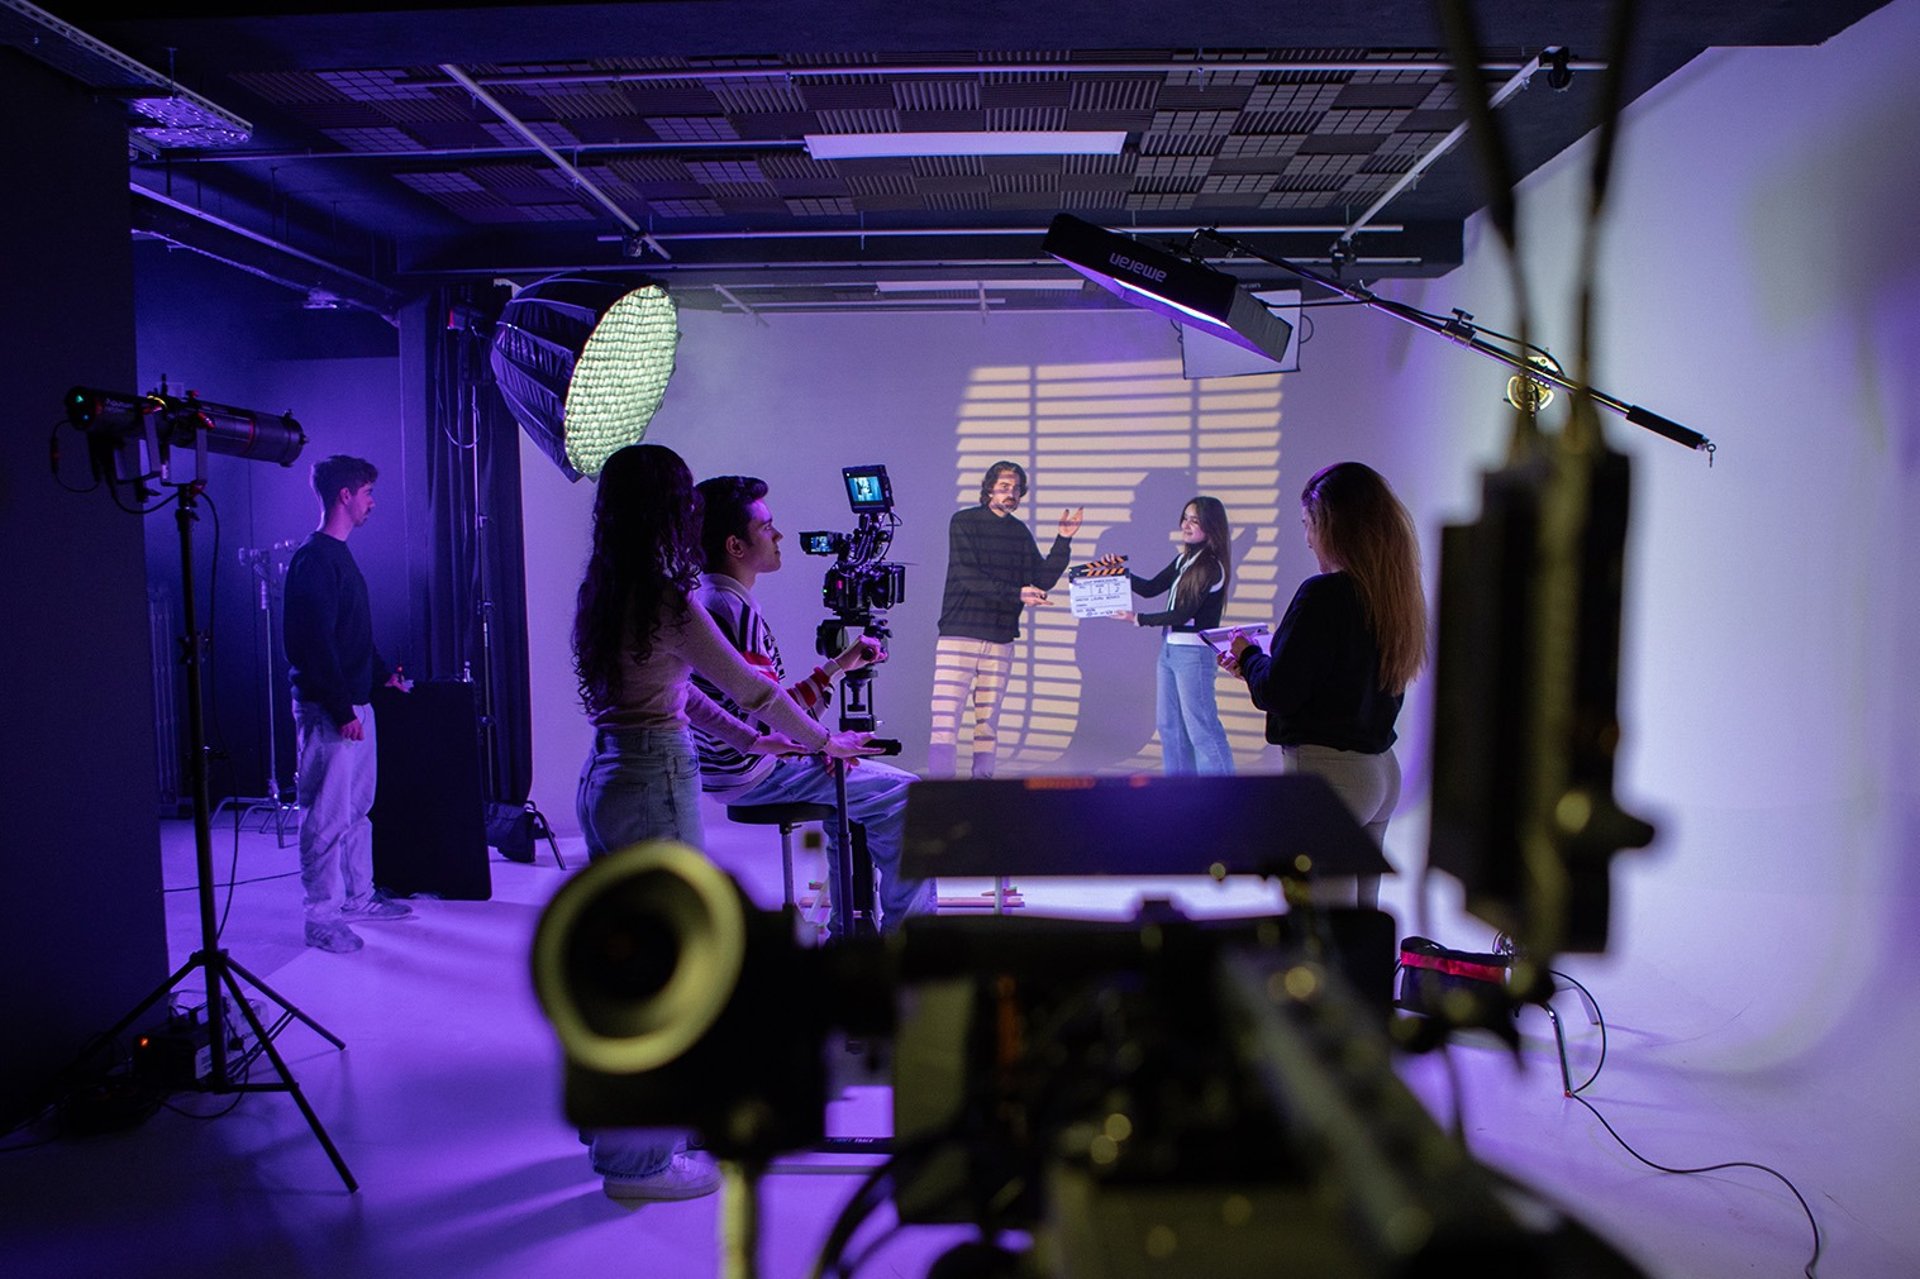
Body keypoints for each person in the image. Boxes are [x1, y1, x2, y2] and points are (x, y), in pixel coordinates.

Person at [570, 443, 877, 1203]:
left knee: (625, 962)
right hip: (653, 782)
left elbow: (680, 695)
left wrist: (753, 739)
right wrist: (822, 740)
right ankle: (638, 1165)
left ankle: (615, 1130)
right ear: (670, 513)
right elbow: (750, 688)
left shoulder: (608, 590)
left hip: (608, 773)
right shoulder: (672, 599)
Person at [690, 475, 934, 931]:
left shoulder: (722, 599)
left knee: (858, 796)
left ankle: (849, 929)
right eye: (766, 527)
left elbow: (773, 706)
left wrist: (839, 666)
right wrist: (822, 744)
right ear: (735, 545)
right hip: (754, 771)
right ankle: (914, 944)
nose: (779, 536)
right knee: (908, 797)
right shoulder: (729, 606)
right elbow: (765, 709)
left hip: (747, 761)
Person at [1222, 462, 1427, 909]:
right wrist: (1254, 666)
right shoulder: (1392, 595)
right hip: (1380, 772)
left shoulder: (1323, 595)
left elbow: (1280, 691)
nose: (1308, 537)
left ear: (1332, 525)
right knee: (1361, 927)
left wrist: (1248, 657)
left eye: (1309, 525)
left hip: (1332, 775)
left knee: (1322, 933)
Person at [282, 455, 414, 955]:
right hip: (330, 712)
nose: (371, 502)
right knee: (326, 816)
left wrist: (382, 678)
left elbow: (352, 636)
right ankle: (321, 919)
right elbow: (314, 645)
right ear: (345, 495)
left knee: (357, 812)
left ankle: (358, 898)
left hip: (356, 707)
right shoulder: (314, 561)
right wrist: (341, 710)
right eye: (367, 493)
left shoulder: (339, 557)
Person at [928, 460, 1083, 778]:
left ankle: (982, 788)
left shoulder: (1018, 532)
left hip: (999, 639)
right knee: (944, 720)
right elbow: (968, 575)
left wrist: (1063, 539)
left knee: (988, 725)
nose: (1010, 493)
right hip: (959, 635)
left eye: (1015, 489)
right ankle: (938, 792)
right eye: (1004, 487)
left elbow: (1041, 578)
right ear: (989, 489)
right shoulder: (964, 521)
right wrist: (1017, 593)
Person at [1102, 496, 1236, 775]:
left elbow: (1181, 613)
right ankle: (1179, 792)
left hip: (1194, 654)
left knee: (1201, 728)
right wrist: (1118, 573)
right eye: (1185, 518)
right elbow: (1151, 588)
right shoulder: (1185, 559)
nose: (1186, 525)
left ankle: (1225, 795)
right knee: (1170, 726)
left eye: (1195, 520)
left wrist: (1138, 618)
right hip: (1170, 649)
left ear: (1211, 526)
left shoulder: (1210, 566)